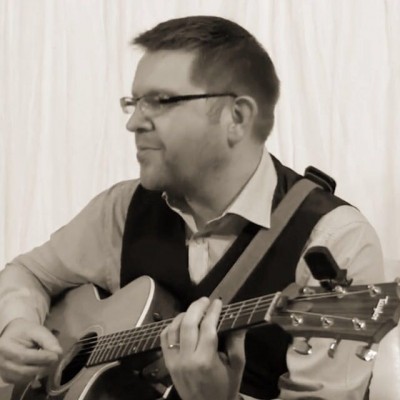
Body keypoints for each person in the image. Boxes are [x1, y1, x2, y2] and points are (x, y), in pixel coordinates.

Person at [0, 15, 384, 400]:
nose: (133, 123)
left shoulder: (336, 241)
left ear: (237, 117)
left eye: (161, 101)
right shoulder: (123, 207)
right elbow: (28, 273)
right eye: (134, 103)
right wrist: (15, 323)